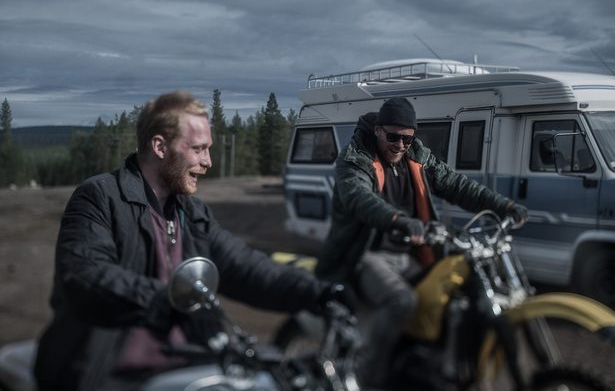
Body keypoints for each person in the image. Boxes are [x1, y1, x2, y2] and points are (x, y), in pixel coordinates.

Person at [34, 92, 352, 391]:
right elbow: (85, 276)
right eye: (198, 149)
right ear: (160, 147)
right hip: (112, 372)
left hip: (190, 364)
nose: (208, 161)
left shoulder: (192, 212)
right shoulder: (100, 197)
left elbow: (245, 266)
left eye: (208, 149)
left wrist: (320, 293)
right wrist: (165, 301)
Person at [314, 97, 528, 389]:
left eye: (407, 138)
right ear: (377, 130)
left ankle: (434, 366)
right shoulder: (354, 159)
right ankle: (369, 375)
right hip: (364, 255)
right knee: (402, 301)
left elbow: (456, 184)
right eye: (393, 137)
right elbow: (360, 199)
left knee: (454, 298)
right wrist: (397, 219)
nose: (400, 145)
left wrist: (503, 205)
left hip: (410, 255)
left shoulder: (417, 155)